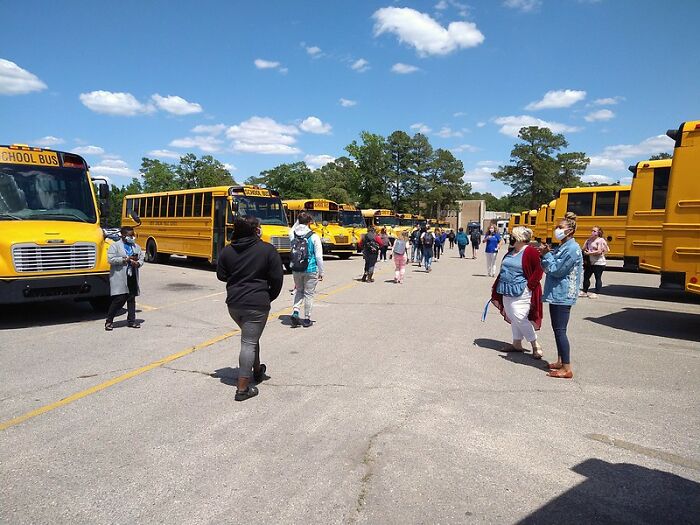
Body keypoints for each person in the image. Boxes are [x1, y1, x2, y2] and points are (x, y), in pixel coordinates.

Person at [217, 216, 284, 401]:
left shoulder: (227, 251)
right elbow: (277, 278)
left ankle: (257, 370)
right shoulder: (267, 250)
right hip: (256, 305)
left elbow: (221, 275)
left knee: (251, 338)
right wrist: (269, 296)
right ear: (255, 230)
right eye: (259, 227)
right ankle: (242, 389)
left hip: (234, 305)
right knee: (248, 342)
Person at [538, 212, 583, 379]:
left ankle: (566, 368)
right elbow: (549, 267)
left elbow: (557, 270)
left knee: (560, 330)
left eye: (560, 227)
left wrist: (546, 255)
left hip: (563, 294)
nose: (557, 230)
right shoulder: (563, 246)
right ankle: (560, 360)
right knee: (557, 329)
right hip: (556, 293)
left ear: (570, 231)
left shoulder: (572, 249)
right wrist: (546, 255)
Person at [490, 227, 543, 358]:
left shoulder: (530, 251)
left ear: (519, 238)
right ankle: (517, 343)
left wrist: (529, 286)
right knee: (513, 317)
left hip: (522, 291)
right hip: (506, 290)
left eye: (512, 236)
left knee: (519, 317)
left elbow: (538, 269)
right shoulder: (511, 252)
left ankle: (535, 343)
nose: (510, 238)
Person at [105, 226, 145, 331]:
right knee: (119, 299)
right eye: (130, 235)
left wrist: (138, 263)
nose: (132, 237)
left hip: (132, 276)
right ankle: (109, 321)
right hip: (120, 276)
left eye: (133, 235)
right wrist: (126, 259)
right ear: (123, 236)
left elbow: (141, 258)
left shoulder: (136, 246)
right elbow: (111, 259)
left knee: (131, 298)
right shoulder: (115, 246)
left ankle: (131, 321)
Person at [289, 212, 324, 327]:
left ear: (298, 221)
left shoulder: (293, 234)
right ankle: (307, 319)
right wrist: (321, 271)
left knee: (299, 291)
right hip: (310, 269)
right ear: (309, 222)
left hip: (296, 268)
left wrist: (299, 218)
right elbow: (318, 256)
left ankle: (295, 312)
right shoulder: (314, 236)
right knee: (309, 294)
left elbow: (293, 228)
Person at [581, 225, 609, 298]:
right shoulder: (589, 240)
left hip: (599, 262)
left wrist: (590, 253)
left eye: (594, 231)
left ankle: (596, 293)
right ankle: (584, 291)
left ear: (598, 232)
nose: (592, 232)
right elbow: (583, 248)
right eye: (592, 231)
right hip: (590, 262)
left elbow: (599, 251)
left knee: (597, 277)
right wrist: (586, 243)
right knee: (586, 276)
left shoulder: (600, 240)